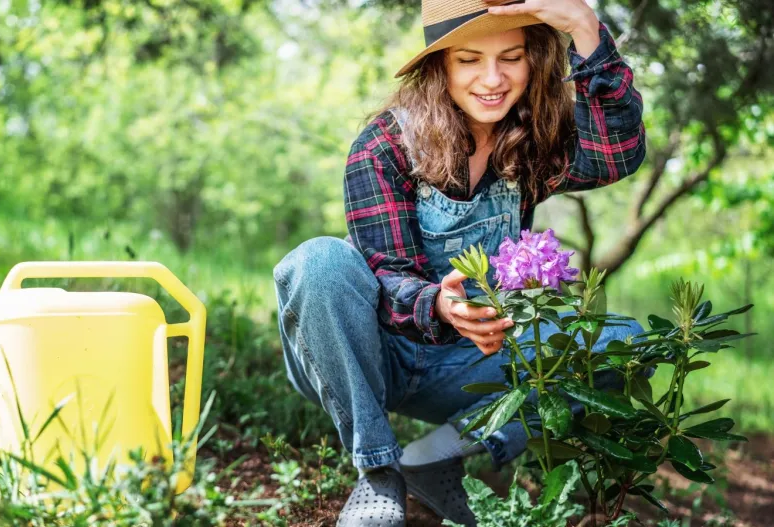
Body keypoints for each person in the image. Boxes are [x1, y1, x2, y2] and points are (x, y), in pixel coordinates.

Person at [272, 0, 647, 525]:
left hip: (468, 362)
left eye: (511, 57)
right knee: (320, 261)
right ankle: (378, 475)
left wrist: (586, 28)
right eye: (469, 60)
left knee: (626, 343)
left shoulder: (531, 137)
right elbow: (385, 275)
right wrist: (440, 305)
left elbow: (616, 153)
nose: (492, 79)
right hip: (372, 357)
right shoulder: (386, 144)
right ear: (440, 65)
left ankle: (433, 458)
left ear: (533, 59)